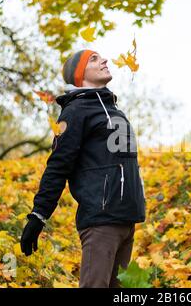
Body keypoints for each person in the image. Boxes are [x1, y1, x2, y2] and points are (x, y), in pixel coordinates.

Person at [20, 49, 146, 288]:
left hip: (126, 219)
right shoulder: (76, 111)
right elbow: (58, 165)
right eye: (94, 59)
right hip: (101, 221)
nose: (105, 60)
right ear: (79, 75)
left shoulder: (112, 109)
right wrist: (38, 215)